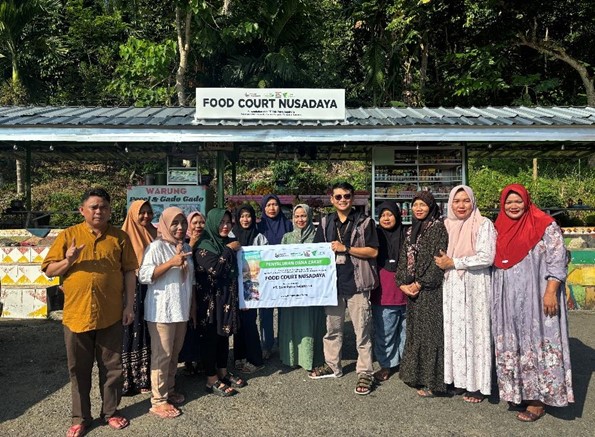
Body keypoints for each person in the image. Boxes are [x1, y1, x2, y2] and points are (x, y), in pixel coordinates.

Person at [42, 188, 137, 437]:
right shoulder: (69, 235)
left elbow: (129, 271)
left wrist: (129, 306)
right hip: (77, 315)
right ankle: (80, 417)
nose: (99, 211)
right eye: (93, 207)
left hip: (110, 314)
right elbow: (50, 270)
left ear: (110, 210)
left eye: (103, 207)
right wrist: (69, 260)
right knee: (78, 369)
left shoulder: (120, 237)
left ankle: (111, 412)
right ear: (82, 210)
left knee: (112, 367)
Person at [492, 184, 574, 422]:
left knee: (537, 342)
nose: (513, 206)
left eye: (518, 201)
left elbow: (557, 259)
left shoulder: (544, 224)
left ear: (526, 202)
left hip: (537, 298)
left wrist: (551, 291)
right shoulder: (499, 227)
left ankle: (538, 400)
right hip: (508, 300)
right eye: (508, 202)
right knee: (513, 343)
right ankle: (518, 392)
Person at [309, 182, 379, 396]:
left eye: (346, 196)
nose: (342, 200)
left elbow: (373, 251)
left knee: (362, 331)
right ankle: (333, 365)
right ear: (332, 199)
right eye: (338, 197)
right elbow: (317, 251)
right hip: (333, 286)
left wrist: (346, 248)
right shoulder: (325, 222)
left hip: (357, 284)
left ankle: (365, 371)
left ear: (353, 198)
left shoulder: (365, 222)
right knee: (332, 329)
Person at [434, 186, 496, 402]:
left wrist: (455, 262)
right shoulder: (446, 225)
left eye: (466, 201)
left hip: (475, 285)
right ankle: (460, 381)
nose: (461, 206)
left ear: (473, 202)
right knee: (455, 333)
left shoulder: (483, 224)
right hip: (452, 285)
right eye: (456, 201)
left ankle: (478, 385)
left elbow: (487, 257)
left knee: (476, 333)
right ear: (450, 203)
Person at [139, 207, 195, 419]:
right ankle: (158, 400)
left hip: (180, 310)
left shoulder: (185, 246)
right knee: (161, 356)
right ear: (164, 224)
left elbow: (190, 280)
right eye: (175, 223)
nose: (180, 227)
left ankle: (169, 389)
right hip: (161, 311)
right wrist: (171, 263)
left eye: (183, 222)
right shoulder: (156, 247)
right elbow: (144, 275)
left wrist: (192, 307)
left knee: (174, 353)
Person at [396, 191, 448, 398]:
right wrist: (402, 283)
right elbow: (404, 257)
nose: (418, 209)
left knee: (431, 334)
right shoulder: (411, 230)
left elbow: (438, 260)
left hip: (431, 290)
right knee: (416, 332)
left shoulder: (438, 228)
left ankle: (433, 381)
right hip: (413, 291)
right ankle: (415, 375)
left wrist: (421, 283)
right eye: (415, 204)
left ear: (431, 207)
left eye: (423, 205)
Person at [195, 208, 246, 396]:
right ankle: (211, 379)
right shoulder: (203, 246)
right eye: (221, 222)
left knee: (224, 335)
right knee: (210, 338)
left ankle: (223, 371)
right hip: (209, 302)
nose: (225, 226)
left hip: (225, 299)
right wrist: (229, 249)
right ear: (213, 223)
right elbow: (216, 269)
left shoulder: (226, 242)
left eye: (228, 222)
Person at [279, 204, 326, 373]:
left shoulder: (318, 236)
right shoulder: (287, 237)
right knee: (291, 321)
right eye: (297, 216)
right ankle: (291, 357)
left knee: (309, 322)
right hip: (291, 290)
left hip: (311, 291)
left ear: (310, 216)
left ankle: (311, 358)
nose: (300, 219)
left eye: (303, 216)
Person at [121, 199, 157, 396]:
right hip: (132, 289)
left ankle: (147, 377)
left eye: (149, 212)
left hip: (151, 287)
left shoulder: (155, 233)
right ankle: (129, 379)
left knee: (149, 332)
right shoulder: (123, 236)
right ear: (133, 214)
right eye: (141, 213)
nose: (146, 216)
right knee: (132, 330)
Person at [371, 201, 406, 382]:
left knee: (407, 332)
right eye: (383, 215)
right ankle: (386, 364)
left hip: (407, 293)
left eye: (390, 214)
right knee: (385, 331)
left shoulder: (407, 234)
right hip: (383, 293)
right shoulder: (375, 235)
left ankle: (405, 363)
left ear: (397, 215)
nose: (386, 218)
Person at [257, 194, 293, 360]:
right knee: (265, 312)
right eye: (268, 205)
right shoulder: (259, 226)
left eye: (275, 204)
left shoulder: (288, 225)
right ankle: (267, 345)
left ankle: (285, 343)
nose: (272, 208)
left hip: (285, 276)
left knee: (286, 311)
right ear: (263, 208)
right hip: (265, 276)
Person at [232, 204, 267, 374]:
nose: (245, 220)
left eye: (248, 216)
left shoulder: (259, 237)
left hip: (252, 286)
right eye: (242, 216)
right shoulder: (231, 236)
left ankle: (255, 360)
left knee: (249, 322)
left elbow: (266, 259)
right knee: (237, 323)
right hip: (233, 285)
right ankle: (240, 356)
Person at [178, 210, 206, 375]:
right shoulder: (184, 242)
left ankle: (201, 359)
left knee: (202, 324)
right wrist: (193, 243)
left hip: (205, 289)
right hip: (189, 288)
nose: (198, 226)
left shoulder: (209, 240)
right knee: (189, 325)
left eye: (201, 222)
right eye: (194, 223)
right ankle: (188, 360)